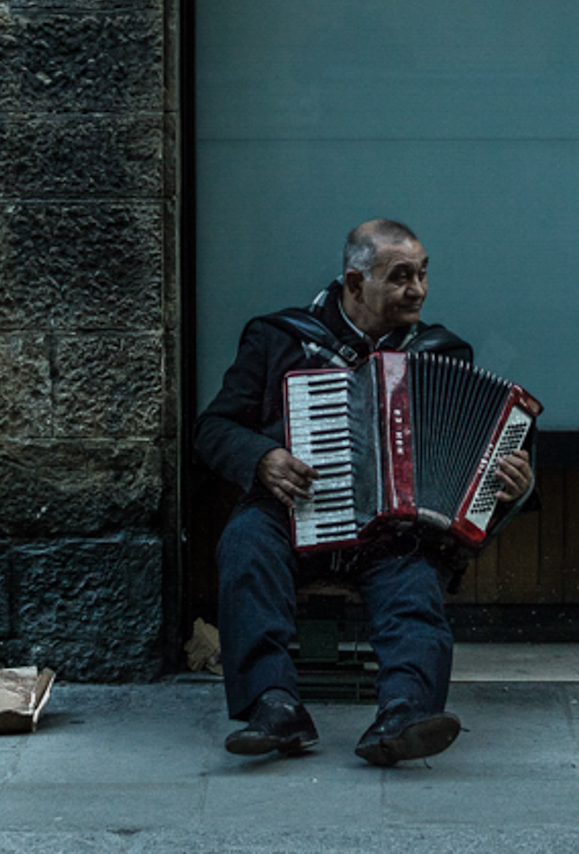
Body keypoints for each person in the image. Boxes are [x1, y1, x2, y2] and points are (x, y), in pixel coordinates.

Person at [192, 218, 535, 765]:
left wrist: (513, 482)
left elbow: (473, 458)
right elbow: (212, 430)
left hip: (389, 530)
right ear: (354, 284)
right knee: (245, 546)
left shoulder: (441, 352)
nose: (417, 290)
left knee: (415, 583)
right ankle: (273, 705)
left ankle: (405, 712)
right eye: (401, 277)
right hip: (292, 511)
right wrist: (262, 458)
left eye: (422, 275)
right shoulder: (279, 338)